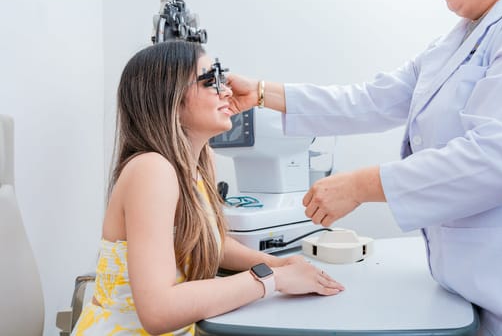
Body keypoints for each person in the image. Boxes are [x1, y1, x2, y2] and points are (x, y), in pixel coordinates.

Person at [226, 0, 502, 335]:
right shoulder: (453, 43)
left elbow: (497, 157)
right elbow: (369, 100)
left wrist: (361, 186)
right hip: (464, 286)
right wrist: (262, 93)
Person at [71, 40, 344, 336]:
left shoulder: (199, 164)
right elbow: (158, 311)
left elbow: (209, 240)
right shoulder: (151, 169)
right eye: (210, 81)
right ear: (170, 97)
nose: (226, 91)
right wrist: (271, 279)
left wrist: (278, 263)